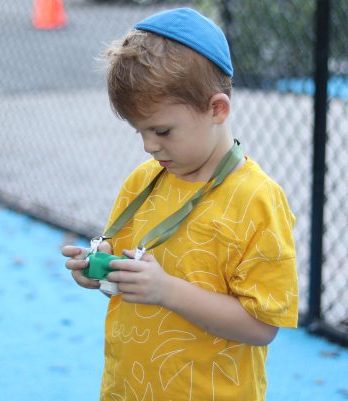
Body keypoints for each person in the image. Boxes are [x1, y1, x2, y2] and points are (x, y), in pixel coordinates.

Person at [62, 7, 298, 401]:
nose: (149, 146)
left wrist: (167, 290)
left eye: (161, 131)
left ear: (217, 109)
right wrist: (100, 269)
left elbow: (262, 327)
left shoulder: (257, 200)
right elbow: (133, 282)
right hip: (129, 389)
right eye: (139, 131)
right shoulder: (143, 181)